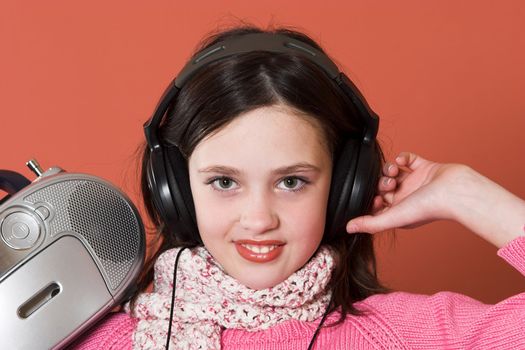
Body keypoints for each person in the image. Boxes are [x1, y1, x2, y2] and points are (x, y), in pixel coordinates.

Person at [72, 25, 525, 349]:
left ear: (346, 185)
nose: (259, 219)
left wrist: (468, 195)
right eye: (224, 181)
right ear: (175, 189)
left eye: (291, 182)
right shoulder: (93, 340)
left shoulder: (404, 336)